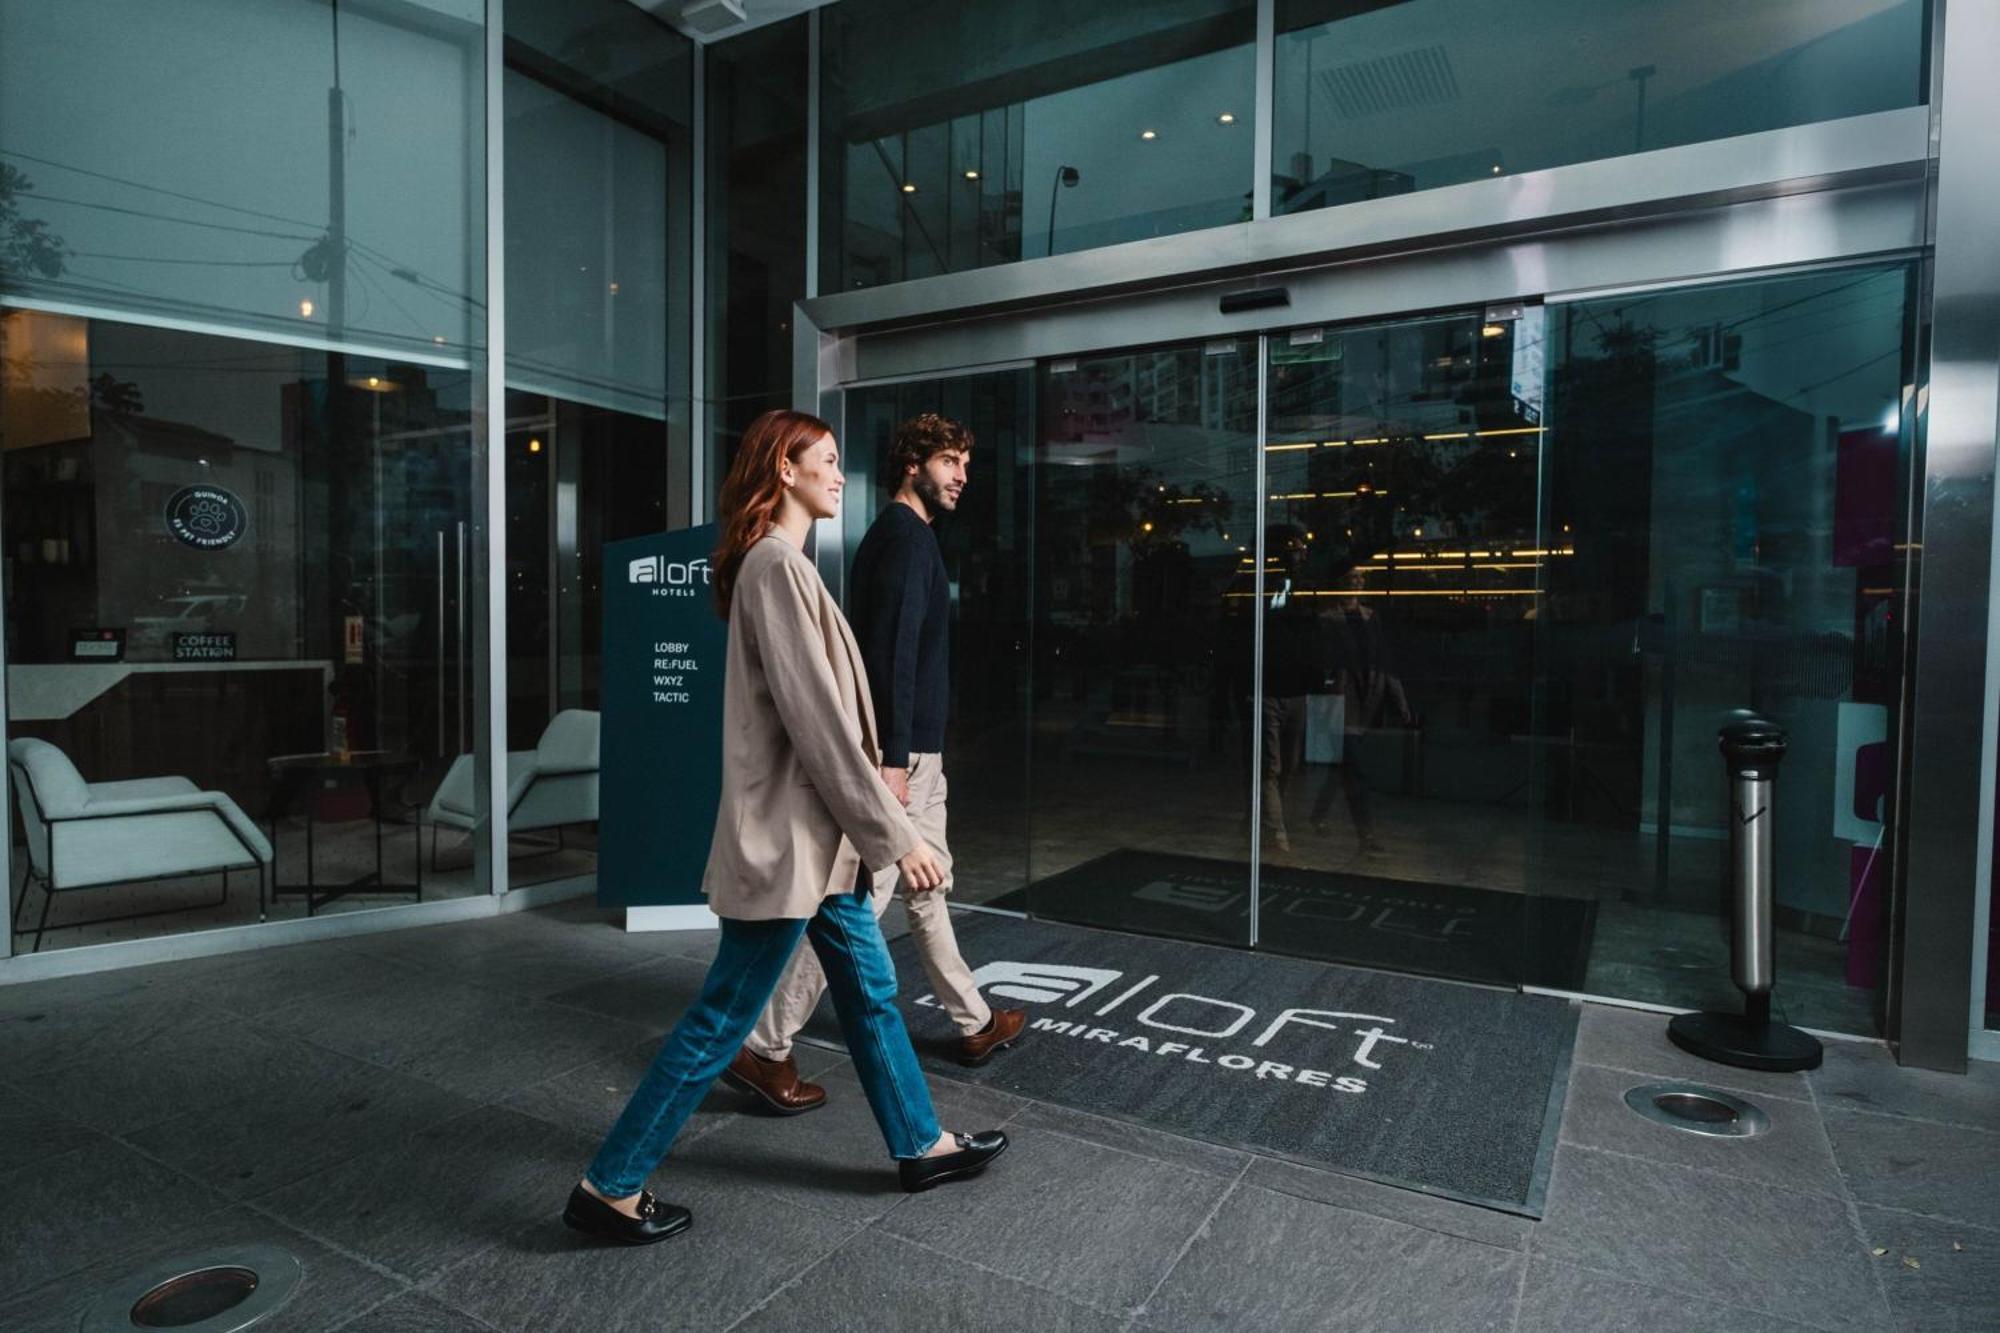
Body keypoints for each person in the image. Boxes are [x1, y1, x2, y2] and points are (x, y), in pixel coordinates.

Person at [562, 409, 1008, 1247]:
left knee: (872, 995)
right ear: (786, 469)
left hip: (820, 846)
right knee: (721, 1017)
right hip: (799, 843)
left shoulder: (787, 566)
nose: (841, 474)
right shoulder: (775, 566)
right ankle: (610, 1184)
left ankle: (922, 1142)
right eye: (827, 461)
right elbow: (822, 726)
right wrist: (897, 834)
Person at [725, 412, 1026, 1116]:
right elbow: (888, 657)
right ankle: (765, 1044)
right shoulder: (902, 540)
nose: (961, 477)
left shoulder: (905, 538)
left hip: (917, 753)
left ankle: (972, 1020)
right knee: (858, 904)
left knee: (929, 883)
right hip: (905, 758)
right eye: (951, 460)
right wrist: (891, 764)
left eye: (965, 464)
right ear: (913, 462)